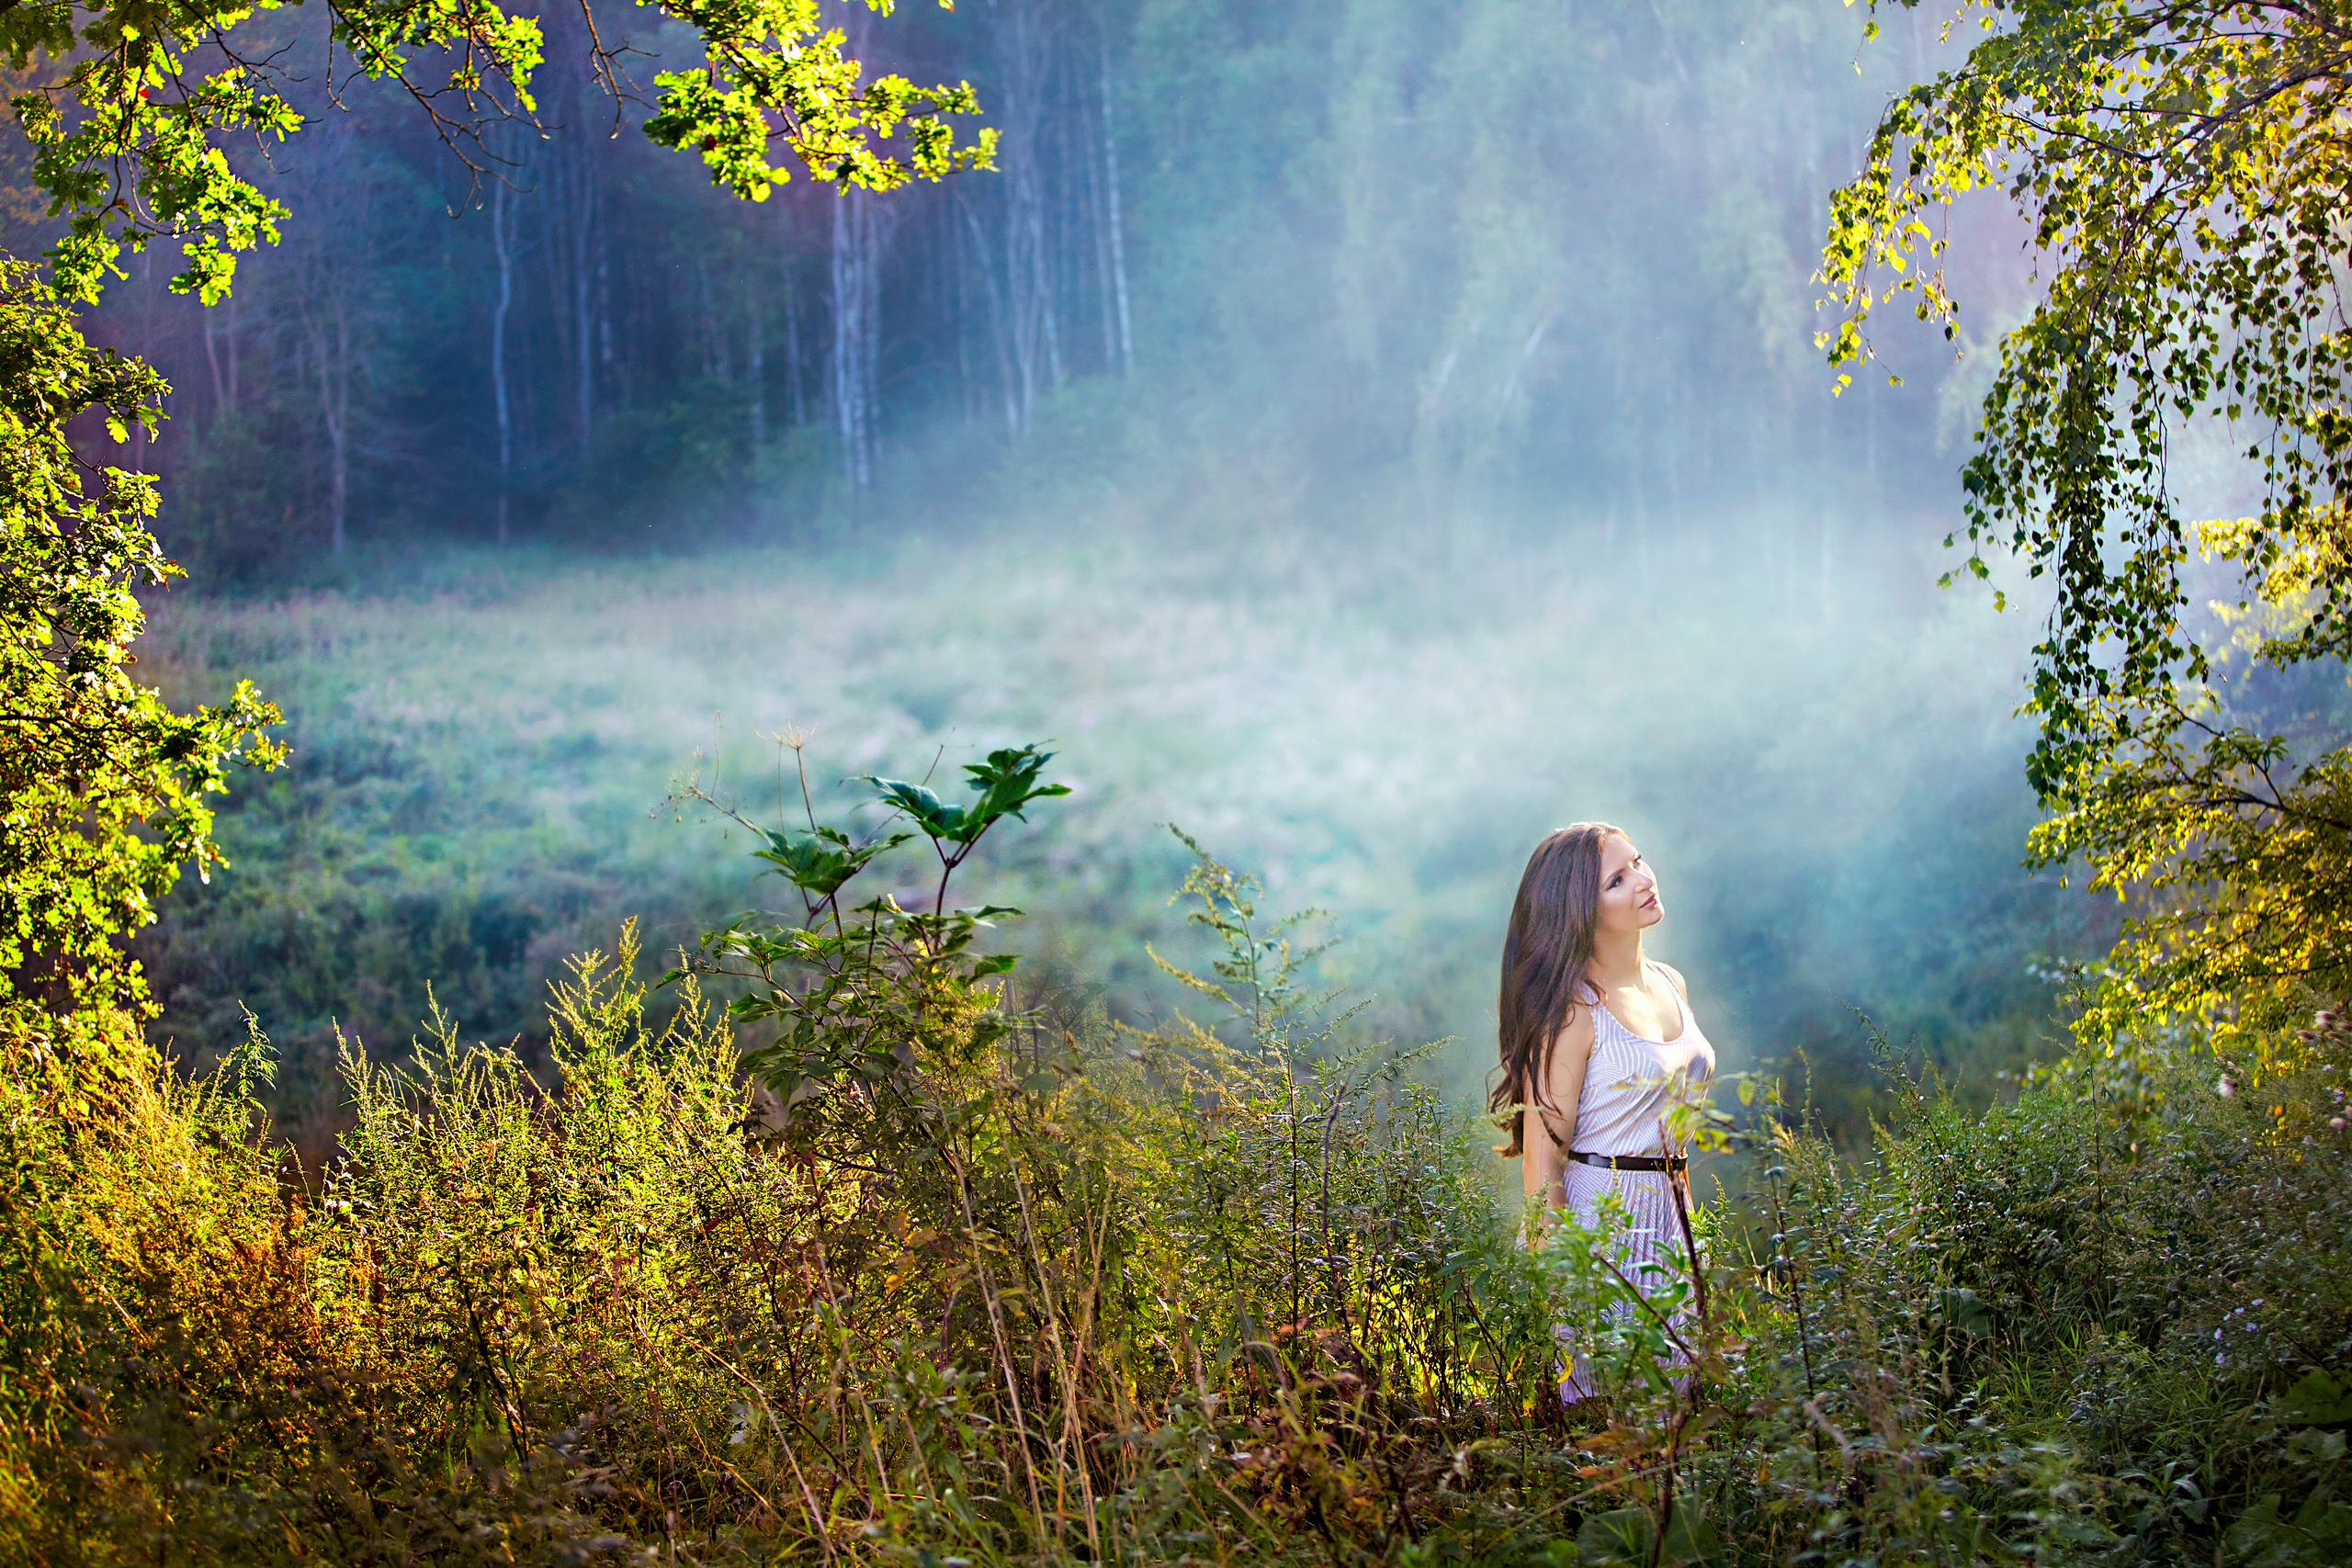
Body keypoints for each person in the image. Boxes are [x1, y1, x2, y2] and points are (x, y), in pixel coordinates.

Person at [1490, 822, 1716, 1401]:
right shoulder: (1573, 1014)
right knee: (1610, 1422)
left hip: (1674, 1215)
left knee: (1685, 1418)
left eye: (1637, 861)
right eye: (1618, 880)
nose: (1643, 880)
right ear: (1581, 913)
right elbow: (1542, 1164)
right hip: (1602, 1228)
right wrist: (1562, 1281)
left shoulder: (1672, 984)